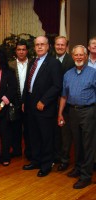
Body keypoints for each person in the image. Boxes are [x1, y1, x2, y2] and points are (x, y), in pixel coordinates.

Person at [22, 36, 62, 177]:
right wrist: (23, 102)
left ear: (48, 46)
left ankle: (46, 165)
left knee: (46, 137)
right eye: (37, 45)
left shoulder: (53, 63)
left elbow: (57, 86)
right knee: (33, 135)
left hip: (44, 106)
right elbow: (28, 84)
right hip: (30, 104)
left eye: (42, 44)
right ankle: (36, 161)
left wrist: (44, 101)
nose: (39, 47)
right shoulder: (33, 61)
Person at [58, 45, 96, 189]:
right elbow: (63, 96)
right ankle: (78, 168)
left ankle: (86, 176)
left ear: (86, 57)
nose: (79, 57)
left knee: (88, 144)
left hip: (88, 112)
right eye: (76, 55)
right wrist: (60, 113)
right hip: (72, 112)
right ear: (72, 56)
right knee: (77, 143)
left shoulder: (93, 73)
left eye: (82, 55)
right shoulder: (68, 74)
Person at [54, 36, 75, 170]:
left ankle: (64, 159)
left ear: (66, 46)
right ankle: (55, 156)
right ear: (54, 45)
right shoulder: (49, 59)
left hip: (65, 102)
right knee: (54, 132)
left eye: (62, 45)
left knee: (65, 134)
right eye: (58, 45)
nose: (60, 47)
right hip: (51, 102)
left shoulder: (72, 61)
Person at [8, 40, 31, 159]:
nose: (21, 52)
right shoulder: (10, 65)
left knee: (28, 129)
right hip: (14, 101)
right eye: (19, 50)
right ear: (16, 51)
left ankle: (29, 152)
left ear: (27, 51)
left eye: (23, 49)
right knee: (15, 128)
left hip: (29, 102)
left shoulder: (33, 64)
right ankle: (16, 150)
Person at [87, 36, 96, 171]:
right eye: (93, 44)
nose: (95, 45)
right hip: (87, 104)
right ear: (88, 47)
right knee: (87, 134)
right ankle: (87, 161)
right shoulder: (81, 60)